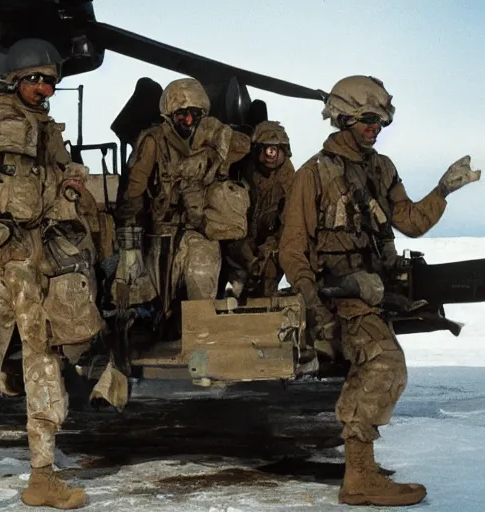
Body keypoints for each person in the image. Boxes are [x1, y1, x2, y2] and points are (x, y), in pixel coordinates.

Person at [279, 75, 480, 506]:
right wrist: (314, 303)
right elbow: (292, 249)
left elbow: (409, 221)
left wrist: (443, 189)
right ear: (344, 118)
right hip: (337, 295)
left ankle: (359, 475)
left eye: (381, 122)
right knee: (384, 364)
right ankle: (359, 477)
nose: (375, 129)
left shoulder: (382, 168)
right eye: (368, 120)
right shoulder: (313, 174)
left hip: (375, 292)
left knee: (377, 364)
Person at [0, 38, 97, 510]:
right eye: (36, 80)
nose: (45, 88)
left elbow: (60, 175)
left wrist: (72, 179)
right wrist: (6, 199)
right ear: (16, 80)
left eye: (50, 80)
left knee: (43, 366)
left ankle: (42, 476)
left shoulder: (50, 130)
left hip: (36, 268)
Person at [114, 78, 251, 305]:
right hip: (162, 232)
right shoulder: (154, 141)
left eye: (194, 115)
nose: (187, 121)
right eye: (181, 115)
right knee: (153, 298)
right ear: (169, 115)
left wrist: (219, 132)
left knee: (200, 280)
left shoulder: (210, 139)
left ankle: (200, 333)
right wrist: (131, 238)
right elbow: (135, 190)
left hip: (200, 228)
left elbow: (244, 145)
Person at [224, 121, 295, 298]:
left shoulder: (288, 179)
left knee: (266, 284)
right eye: (265, 148)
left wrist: (266, 252)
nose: (270, 154)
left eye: (275, 149)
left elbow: (289, 224)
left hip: (269, 246)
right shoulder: (244, 168)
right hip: (237, 242)